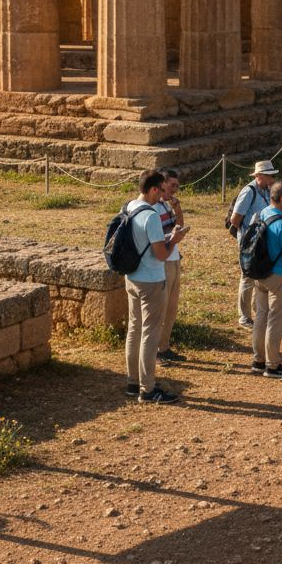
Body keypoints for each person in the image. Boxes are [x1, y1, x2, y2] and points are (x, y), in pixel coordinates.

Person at [124, 170, 183, 404]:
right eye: (159, 189)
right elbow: (160, 254)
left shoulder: (129, 206)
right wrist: (174, 242)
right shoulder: (151, 216)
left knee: (134, 329)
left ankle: (132, 381)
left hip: (132, 276)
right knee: (150, 332)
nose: (162, 194)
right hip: (151, 279)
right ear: (152, 189)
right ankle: (147, 388)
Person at [250, 181, 282, 379]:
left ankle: (258, 360)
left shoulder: (262, 214)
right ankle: (273, 364)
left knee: (261, 318)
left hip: (258, 274)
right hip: (277, 276)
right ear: (280, 198)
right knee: (275, 321)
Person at [229, 161, 277, 328]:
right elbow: (235, 219)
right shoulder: (248, 191)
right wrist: (248, 235)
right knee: (248, 276)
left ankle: (259, 311)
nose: (272, 178)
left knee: (261, 274)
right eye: (269, 175)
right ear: (259, 176)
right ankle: (244, 316)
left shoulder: (267, 190)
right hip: (250, 242)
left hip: (262, 240)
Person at [156, 169, 187, 365]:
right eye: (172, 185)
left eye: (177, 186)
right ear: (162, 184)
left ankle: (164, 346)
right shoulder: (153, 207)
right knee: (161, 307)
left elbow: (179, 225)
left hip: (174, 257)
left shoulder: (165, 206)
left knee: (172, 307)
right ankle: (157, 350)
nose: (175, 190)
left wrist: (177, 208)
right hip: (164, 260)